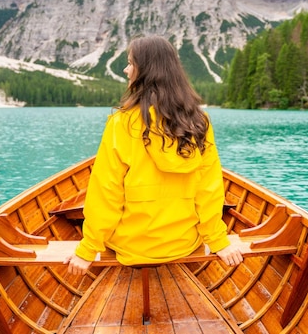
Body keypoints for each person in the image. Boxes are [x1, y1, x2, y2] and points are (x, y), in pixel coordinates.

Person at [64, 36, 244, 275]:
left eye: (130, 63)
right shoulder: (200, 122)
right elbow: (209, 188)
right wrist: (218, 241)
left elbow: (106, 191)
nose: (126, 70)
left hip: (131, 246)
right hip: (183, 243)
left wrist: (87, 249)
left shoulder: (122, 122)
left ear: (145, 70)